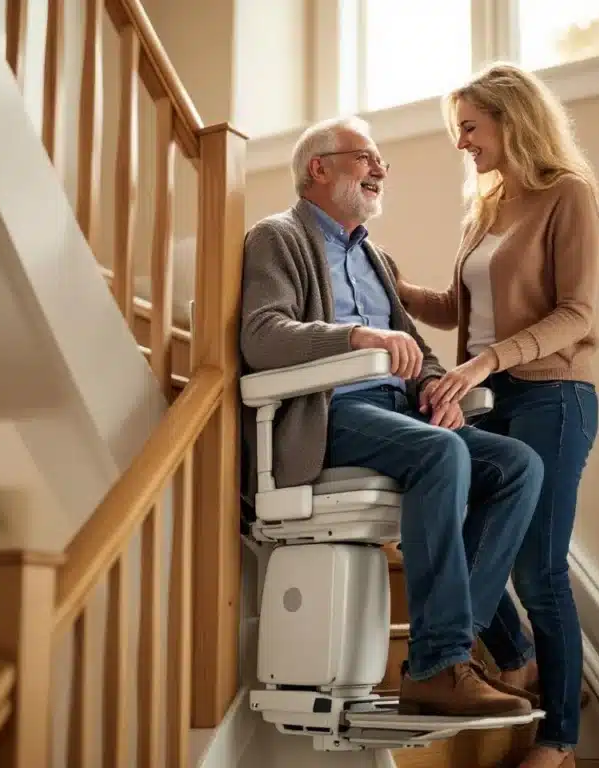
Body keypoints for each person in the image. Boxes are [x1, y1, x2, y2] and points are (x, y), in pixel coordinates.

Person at [239, 115, 547, 719]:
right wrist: (354, 336)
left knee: (517, 465)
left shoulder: (376, 258)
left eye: (381, 160)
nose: (380, 169)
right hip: (331, 413)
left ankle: (452, 646)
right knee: (442, 452)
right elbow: (262, 335)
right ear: (318, 168)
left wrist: (436, 387)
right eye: (365, 157)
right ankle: (438, 663)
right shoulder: (277, 237)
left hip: (399, 412)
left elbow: (417, 350)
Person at [396, 63, 599, 768]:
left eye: (469, 128)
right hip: (486, 399)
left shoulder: (567, 194)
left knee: (539, 570)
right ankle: (517, 659)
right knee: (455, 535)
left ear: (512, 121)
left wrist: (488, 361)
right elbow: (458, 310)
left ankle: (559, 743)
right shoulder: (484, 210)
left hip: (552, 396)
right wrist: (396, 287)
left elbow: (576, 313)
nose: (461, 143)